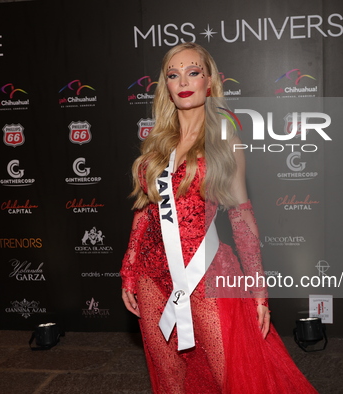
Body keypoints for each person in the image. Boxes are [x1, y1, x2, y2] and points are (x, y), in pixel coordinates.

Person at [121, 42, 318, 394]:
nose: (183, 81)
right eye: (173, 74)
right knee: (169, 375)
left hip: (207, 274)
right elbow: (145, 212)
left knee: (230, 374)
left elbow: (241, 217)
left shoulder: (225, 139)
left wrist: (258, 290)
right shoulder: (157, 142)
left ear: (209, 81)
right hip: (152, 276)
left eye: (193, 72)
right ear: (165, 85)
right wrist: (129, 269)